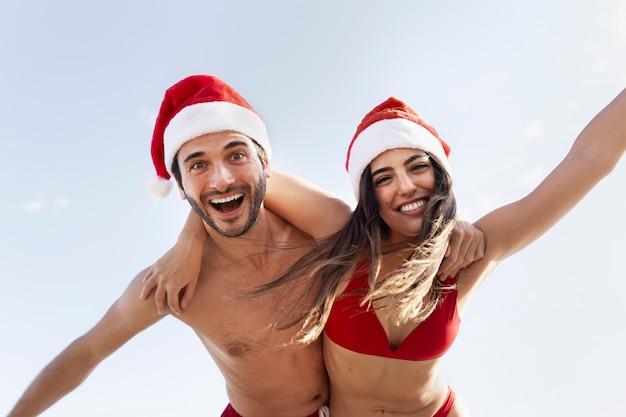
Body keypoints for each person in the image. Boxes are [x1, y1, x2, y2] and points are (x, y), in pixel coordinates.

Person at [7, 75, 483, 417]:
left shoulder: (325, 232)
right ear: (180, 185)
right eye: (196, 165)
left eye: (237, 154)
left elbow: (399, 216)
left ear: (265, 166)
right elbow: (86, 352)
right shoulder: (174, 284)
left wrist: (450, 226)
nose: (221, 176)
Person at [142, 88, 626, 417]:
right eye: (383, 177)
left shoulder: (471, 252)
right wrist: (191, 238)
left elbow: (588, 160)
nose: (406, 187)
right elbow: (239, 185)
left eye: (417, 167)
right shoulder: (340, 238)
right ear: (368, 194)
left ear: (440, 177)